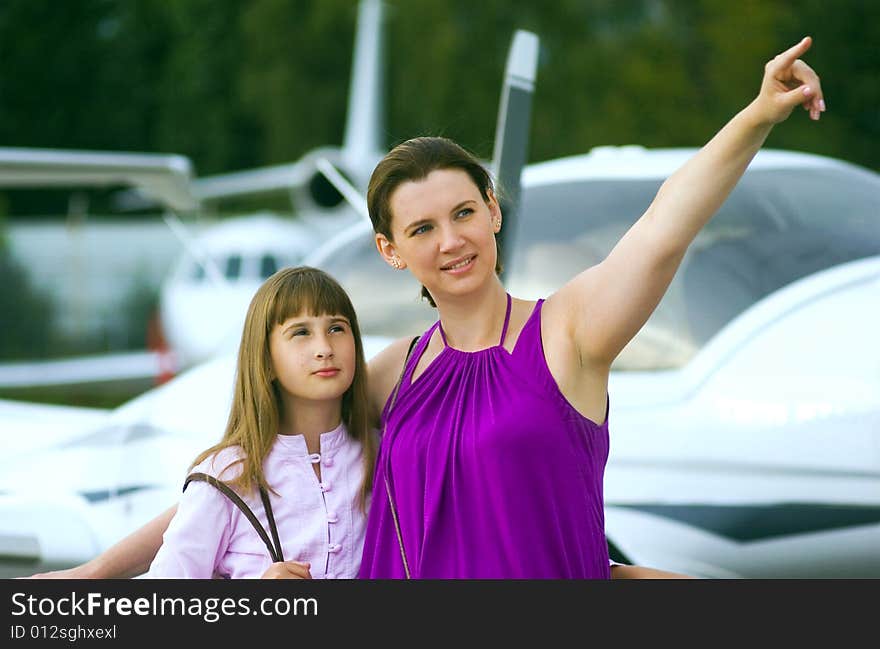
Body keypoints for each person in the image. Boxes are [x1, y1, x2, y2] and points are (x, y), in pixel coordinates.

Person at [31, 36, 823, 580]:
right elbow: (238, 478)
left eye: (464, 212)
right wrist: (101, 572)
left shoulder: (571, 331)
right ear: (391, 250)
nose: (451, 240)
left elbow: (663, 227)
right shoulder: (385, 375)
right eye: (421, 227)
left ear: (494, 210)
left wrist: (756, 115)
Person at [142, 265, 374, 578]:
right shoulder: (224, 475)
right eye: (301, 332)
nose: (324, 349)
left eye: (336, 328)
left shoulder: (385, 455)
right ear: (265, 360)